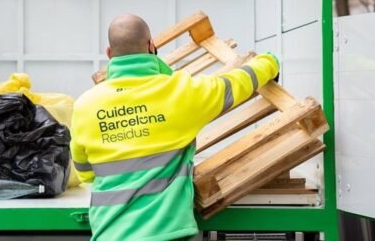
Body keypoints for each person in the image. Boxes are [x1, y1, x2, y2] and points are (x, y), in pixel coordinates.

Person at [71, 14, 280, 241]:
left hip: (110, 234)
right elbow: (234, 86)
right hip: (170, 235)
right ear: (151, 46)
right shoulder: (181, 92)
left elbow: (85, 173)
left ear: (109, 53)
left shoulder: (85, 106)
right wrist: (269, 62)